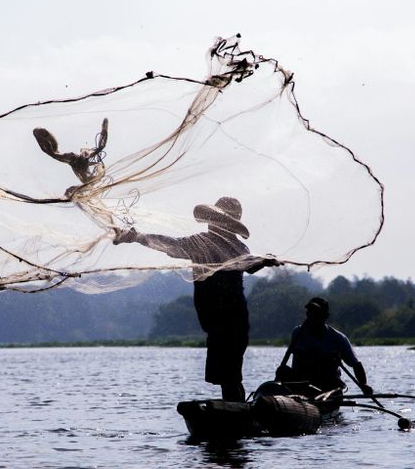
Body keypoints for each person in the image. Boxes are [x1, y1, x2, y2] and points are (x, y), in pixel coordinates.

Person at [114, 197, 277, 401]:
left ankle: (236, 411)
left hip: (232, 317)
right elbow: (169, 244)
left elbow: (248, 264)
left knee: (230, 374)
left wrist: (264, 259)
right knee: (225, 374)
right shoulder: (200, 243)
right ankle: (235, 408)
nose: (210, 224)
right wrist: (137, 237)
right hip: (213, 317)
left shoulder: (237, 248)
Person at [276, 297, 373, 395]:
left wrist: (363, 384)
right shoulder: (297, 333)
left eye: (316, 313)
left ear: (325, 316)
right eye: (309, 312)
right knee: (282, 371)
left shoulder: (338, 339)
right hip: (302, 383)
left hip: (327, 386)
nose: (312, 316)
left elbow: (356, 364)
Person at [33, 118, 109, 196]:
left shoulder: (90, 180)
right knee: (54, 154)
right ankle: (42, 133)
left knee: (54, 154)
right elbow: (100, 147)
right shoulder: (80, 162)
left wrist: (104, 128)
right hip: (75, 161)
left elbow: (100, 147)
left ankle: (42, 133)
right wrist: (104, 128)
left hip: (76, 163)